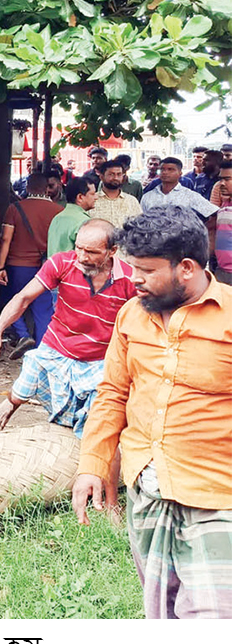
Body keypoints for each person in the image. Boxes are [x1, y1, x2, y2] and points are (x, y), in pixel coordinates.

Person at [72, 207, 232, 619]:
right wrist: (94, 463)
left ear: (186, 268)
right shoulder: (132, 316)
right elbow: (111, 394)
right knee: (162, 615)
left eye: (145, 270)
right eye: (132, 267)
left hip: (216, 495)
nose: (135, 279)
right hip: (147, 489)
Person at [0, 218, 135, 437]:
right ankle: (13, 401)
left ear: (112, 251)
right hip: (57, 345)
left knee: (96, 419)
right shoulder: (61, 263)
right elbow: (23, 298)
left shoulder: (130, 279)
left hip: (100, 358)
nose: (82, 257)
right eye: (78, 248)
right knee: (34, 365)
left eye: (91, 252)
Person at [0, 173, 62, 353]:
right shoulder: (58, 211)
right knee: (43, 309)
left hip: (18, 265)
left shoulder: (15, 208)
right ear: (47, 188)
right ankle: (42, 350)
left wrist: (0, 266)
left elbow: (6, 240)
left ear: (27, 186)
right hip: (46, 266)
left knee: (14, 300)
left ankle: (24, 335)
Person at [140, 156, 218, 223]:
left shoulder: (190, 196)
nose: (165, 172)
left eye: (170, 169)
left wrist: (204, 230)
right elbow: (140, 220)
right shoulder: (148, 197)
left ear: (180, 173)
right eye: (162, 169)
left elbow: (214, 213)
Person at [47, 176, 97, 257]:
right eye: (92, 194)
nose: (96, 197)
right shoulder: (83, 221)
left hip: (54, 267)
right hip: (72, 268)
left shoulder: (57, 218)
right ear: (80, 197)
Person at [89, 160, 143, 227]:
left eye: (119, 174)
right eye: (111, 174)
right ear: (101, 177)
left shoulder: (131, 201)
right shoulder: (91, 201)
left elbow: (140, 226)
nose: (116, 178)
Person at [212, 160, 232, 285]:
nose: (221, 184)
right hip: (222, 272)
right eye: (220, 179)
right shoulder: (224, 206)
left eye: (227, 179)